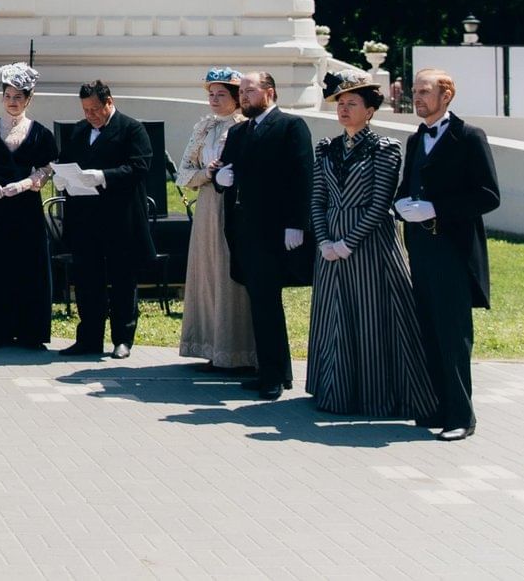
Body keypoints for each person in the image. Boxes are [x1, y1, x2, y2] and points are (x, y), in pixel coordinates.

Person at [305, 71, 434, 421]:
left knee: (372, 315)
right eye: (340, 104)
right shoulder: (325, 148)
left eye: (352, 104)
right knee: (335, 315)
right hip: (331, 241)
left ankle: (377, 396)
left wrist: (348, 242)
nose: (344, 110)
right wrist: (324, 240)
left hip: (371, 244)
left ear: (370, 110)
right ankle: (336, 390)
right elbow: (317, 199)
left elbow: (381, 204)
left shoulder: (384, 148)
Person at [395, 67, 501, 441]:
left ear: (446, 95)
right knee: (429, 330)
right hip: (422, 250)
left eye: (425, 91)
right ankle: (438, 406)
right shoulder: (415, 139)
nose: (418, 98)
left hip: (455, 252)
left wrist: (437, 207)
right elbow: (408, 184)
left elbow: (488, 196)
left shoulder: (469, 137)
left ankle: (461, 416)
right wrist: (402, 205)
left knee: (453, 336)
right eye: (415, 91)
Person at [213, 69, 312, 398]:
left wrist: (297, 223)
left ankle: (274, 375)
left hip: (275, 230)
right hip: (245, 230)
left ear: (270, 92)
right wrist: (220, 180)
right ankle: (273, 370)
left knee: (268, 303)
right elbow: (225, 170)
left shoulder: (289, 126)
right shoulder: (240, 132)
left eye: (249, 91)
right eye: (241, 91)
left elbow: (302, 177)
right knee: (260, 302)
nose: (243, 96)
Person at [56, 81, 152, 360]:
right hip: (85, 219)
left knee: (122, 280)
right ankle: (88, 338)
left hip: (121, 218)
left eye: (95, 109)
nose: (91, 115)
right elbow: (66, 159)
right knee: (87, 281)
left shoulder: (131, 128)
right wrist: (62, 177)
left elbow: (140, 166)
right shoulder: (79, 130)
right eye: (86, 110)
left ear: (109, 102)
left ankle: (123, 339)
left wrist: (103, 176)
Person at [0, 62, 57, 347]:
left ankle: (31, 332)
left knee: (29, 266)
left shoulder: (40, 134)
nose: (12, 102)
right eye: (8, 96)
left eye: (18, 97)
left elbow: (46, 170)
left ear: (29, 99)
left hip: (26, 208)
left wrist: (25, 184)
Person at [175, 69, 256, 372]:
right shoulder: (205, 127)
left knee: (229, 272)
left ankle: (237, 350)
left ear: (236, 97)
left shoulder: (246, 126)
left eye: (221, 94)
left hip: (234, 205)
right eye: (211, 94)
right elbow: (183, 172)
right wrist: (207, 174)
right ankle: (212, 346)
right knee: (208, 272)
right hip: (208, 204)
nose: (214, 99)